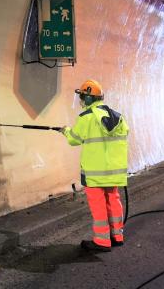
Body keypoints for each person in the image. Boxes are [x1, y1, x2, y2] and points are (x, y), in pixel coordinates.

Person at [60, 79, 129, 252]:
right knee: (113, 200)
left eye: (83, 97)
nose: (82, 100)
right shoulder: (117, 117)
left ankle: (102, 241)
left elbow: (74, 140)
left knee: (98, 205)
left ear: (89, 99)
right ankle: (117, 236)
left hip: (95, 173)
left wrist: (65, 131)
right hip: (113, 172)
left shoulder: (86, 118)